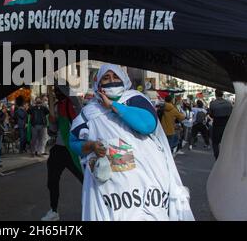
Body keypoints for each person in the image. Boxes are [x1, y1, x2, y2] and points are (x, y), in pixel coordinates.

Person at [69, 64, 194, 221]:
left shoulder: (135, 99)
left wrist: (113, 106)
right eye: (106, 78)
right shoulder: (89, 112)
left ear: (124, 79)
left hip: (149, 181)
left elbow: (147, 125)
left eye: (116, 77)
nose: (112, 81)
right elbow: (74, 142)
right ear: (98, 84)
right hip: (114, 191)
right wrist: (91, 146)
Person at [41, 87, 83, 221]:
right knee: (52, 181)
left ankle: (100, 207)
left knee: (86, 180)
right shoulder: (57, 106)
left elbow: (74, 101)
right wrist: (52, 120)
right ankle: (54, 211)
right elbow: (53, 130)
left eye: (59, 91)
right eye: (55, 91)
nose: (56, 93)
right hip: (59, 149)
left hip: (74, 149)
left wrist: (54, 83)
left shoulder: (74, 104)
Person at [209, 90, 233, 159]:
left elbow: (211, 114)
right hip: (226, 125)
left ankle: (217, 157)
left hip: (217, 124)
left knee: (215, 142)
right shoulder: (228, 103)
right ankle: (226, 156)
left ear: (215, 94)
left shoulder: (213, 104)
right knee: (226, 142)